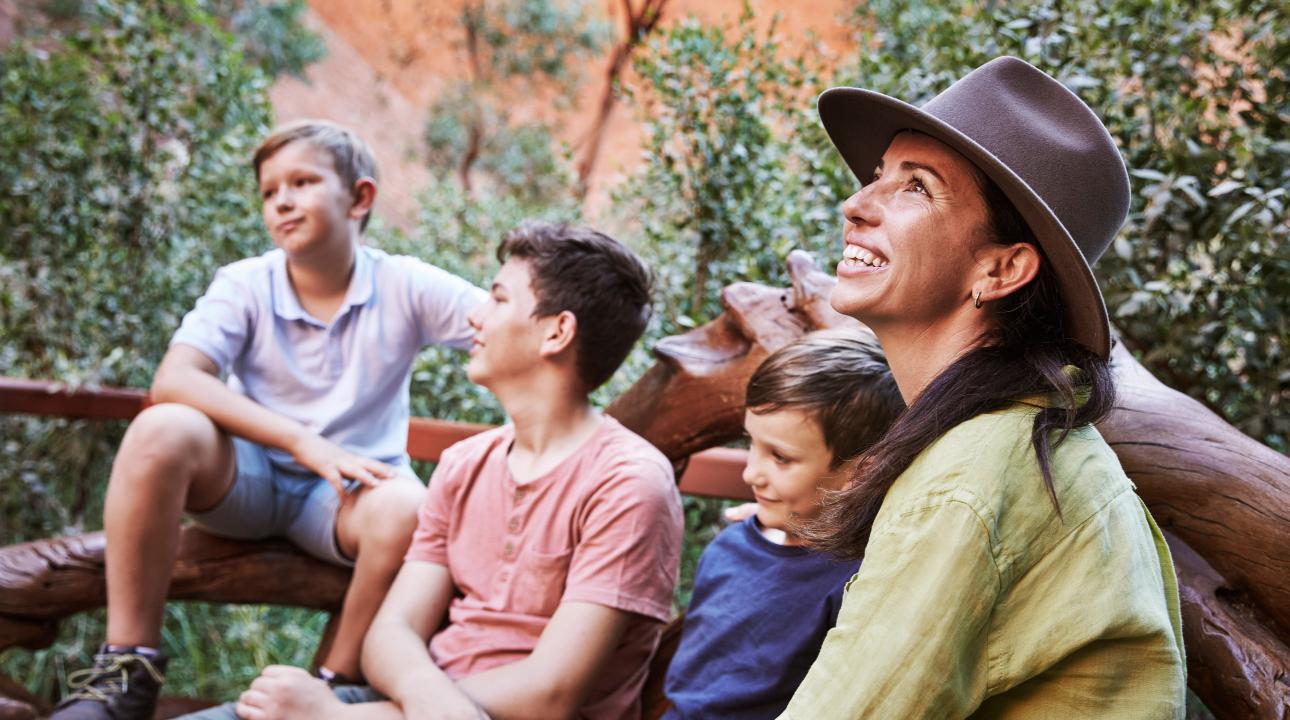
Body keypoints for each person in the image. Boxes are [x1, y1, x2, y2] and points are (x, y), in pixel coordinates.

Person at [778, 56, 1187, 718]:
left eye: (915, 188)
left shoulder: (969, 482)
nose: (855, 204)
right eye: (879, 176)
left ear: (1002, 269)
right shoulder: (1030, 448)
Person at [54, 120, 485, 720]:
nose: (281, 199)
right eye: (269, 190)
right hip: (246, 481)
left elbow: (504, 328)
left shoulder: (404, 284)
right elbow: (175, 379)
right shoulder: (246, 283)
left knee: (408, 506)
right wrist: (303, 442)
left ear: (360, 198)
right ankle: (129, 669)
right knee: (161, 428)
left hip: (346, 500)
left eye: (303, 181)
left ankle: (331, 686)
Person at [195, 222, 684, 720]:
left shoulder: (629, 483)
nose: (476, 316)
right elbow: (389, 635)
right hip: (414, 706)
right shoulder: (465, 464)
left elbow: (550, 695)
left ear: (556, 332)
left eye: (497, 299)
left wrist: (335, 717)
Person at [661, 328, 904, 720]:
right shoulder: (730, 547)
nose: (750, 474)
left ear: (861, 471)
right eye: (750, 444)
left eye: (780, 457)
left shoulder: (853, 584)